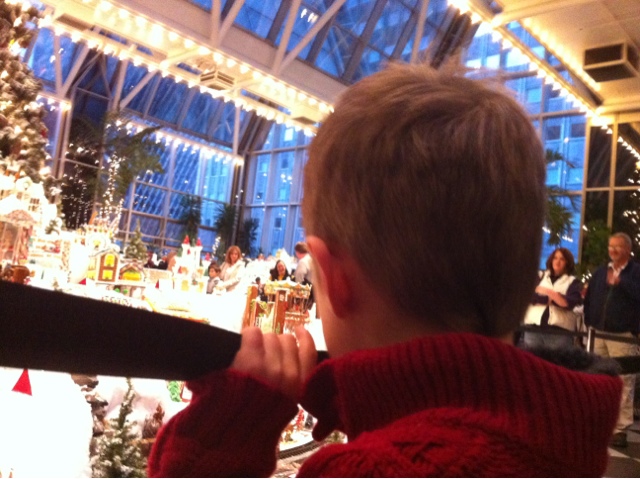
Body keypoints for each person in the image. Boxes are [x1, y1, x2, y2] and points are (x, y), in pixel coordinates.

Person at [148, 64, 622, 477]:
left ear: (332, 276)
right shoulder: (561, 431)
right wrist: (371, 403)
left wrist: (220, 443)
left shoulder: (365, 472)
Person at [584, 232, 640, 448]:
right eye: (610, 246)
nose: (613, 250)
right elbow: (590, 298)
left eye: (617, 246)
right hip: (598, 332)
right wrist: (589, 321)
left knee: (624, 381)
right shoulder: (600, 272)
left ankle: (620, 429)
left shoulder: (635, 272)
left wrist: (621, 283)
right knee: (597, 377)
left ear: (628, 249)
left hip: (622, 335)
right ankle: (599, 423)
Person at [522, 247, 583, 349]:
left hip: (559, 332)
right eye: (555, 258)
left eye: (562, 259)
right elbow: (529, 296)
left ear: (568, 262)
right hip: (533, 329)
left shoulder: (573, 282)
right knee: (530, 358)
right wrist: (551, 299)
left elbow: (567, 303)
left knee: (556, 359)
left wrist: (546, 292)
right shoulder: (540, 276)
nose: (557, 261)